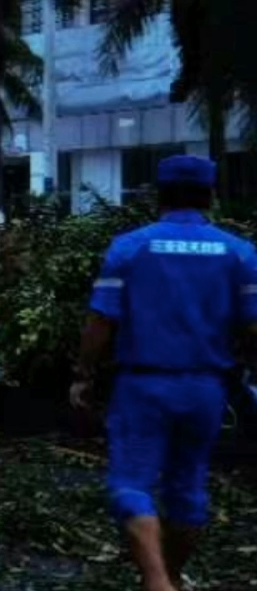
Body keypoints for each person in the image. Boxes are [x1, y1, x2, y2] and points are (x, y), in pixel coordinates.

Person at [70, 155, 254, 591]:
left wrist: (83, 373)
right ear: (210, 195)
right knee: (188, 489)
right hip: (207, 389)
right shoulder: (239, 252)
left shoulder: (130, 247)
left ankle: (156, 581)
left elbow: (100, 322)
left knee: (130, 483)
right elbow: (253, 325)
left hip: (143, 386)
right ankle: (171, 574)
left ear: (159, 193)